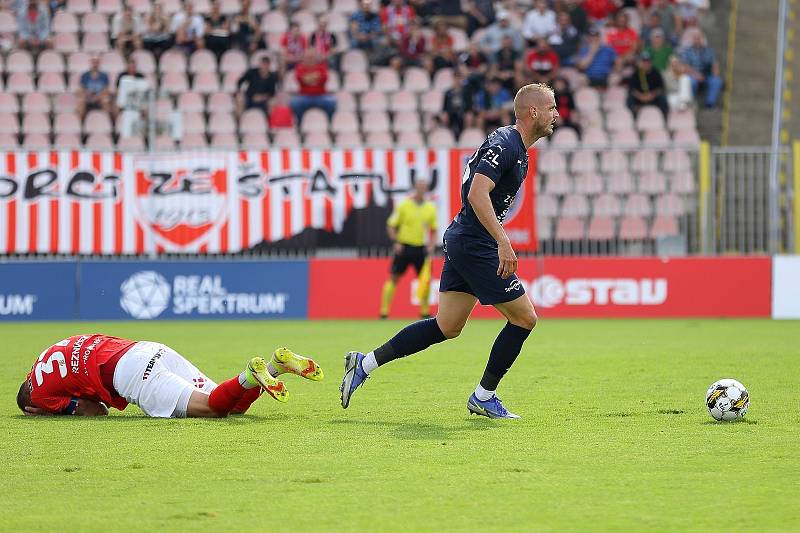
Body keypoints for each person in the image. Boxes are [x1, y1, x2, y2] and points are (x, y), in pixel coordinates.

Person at [341, 83, 558, 419]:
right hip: (476, 243)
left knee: (447, 326)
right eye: (551, 108)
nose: (556, 115)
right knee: (525, 318)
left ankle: (364, 364)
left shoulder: (515, 145)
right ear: (533, 112)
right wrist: (503, 241)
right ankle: (484, 396)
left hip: (465, 238)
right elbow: (476, 193)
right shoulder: (506, 145)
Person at [17, 334, 323, 418]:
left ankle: (248, 375)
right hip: (148, 348)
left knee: (213, 410)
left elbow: (96, 411)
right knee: (233, 405)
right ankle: (274, 368)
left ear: (32, 405)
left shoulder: (41, 397)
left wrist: (52, 412)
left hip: (133, 375)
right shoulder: (49, 351)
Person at [380, 179, 438, 320]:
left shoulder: (430, 207)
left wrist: (431, 244)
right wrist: (396, 242)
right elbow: (391, 225)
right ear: (414, 188)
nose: (421, 190)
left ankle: (424, 312)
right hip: (404, 247)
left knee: (425, 280)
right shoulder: (404, 205)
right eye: (419, 187)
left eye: (424, 187)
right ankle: (384, 312)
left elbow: (434, 229)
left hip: (420, 249)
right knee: (394, 277)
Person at [289, 49, 336, 121]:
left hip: (320, 96)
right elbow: (302, 79)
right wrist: (316, 76)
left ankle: (329, 123)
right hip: (304, 96)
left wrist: (308, 78)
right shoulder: (300, 67)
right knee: (294, 103)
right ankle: (300, 123)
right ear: (304, 58)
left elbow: (324, 78)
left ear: (315, 58)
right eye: (308, 57)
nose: (310, 59)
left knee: (332, 102)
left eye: (312, 57)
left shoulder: (322, 67)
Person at [680, 31, 722, 108]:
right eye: (695, 38)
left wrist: (715, 73)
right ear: (692, 40)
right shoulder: (687, 51)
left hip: (706, 74)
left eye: (698, 38)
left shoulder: (709, 51)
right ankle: (692, 101)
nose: (697, 40)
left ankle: (710, 103)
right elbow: (685, 66)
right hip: (693, 74)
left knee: (717, 81)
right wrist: (696, 75)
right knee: (691, 82)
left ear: (702, 40)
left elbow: (714, 64)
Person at [625, 51, 668, 118]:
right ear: (640, 62)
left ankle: (664, 119)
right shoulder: (636, 73)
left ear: (651, 62)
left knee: (663, 99)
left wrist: (651, 95)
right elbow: (631, 89)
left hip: (653, 98)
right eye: (644, 61)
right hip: (639, 98)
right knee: (629, 99)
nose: (646, 63)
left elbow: (661, 88)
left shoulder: (656, 73)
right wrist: (641, 96)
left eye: (647, 61)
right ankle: (634, 118)